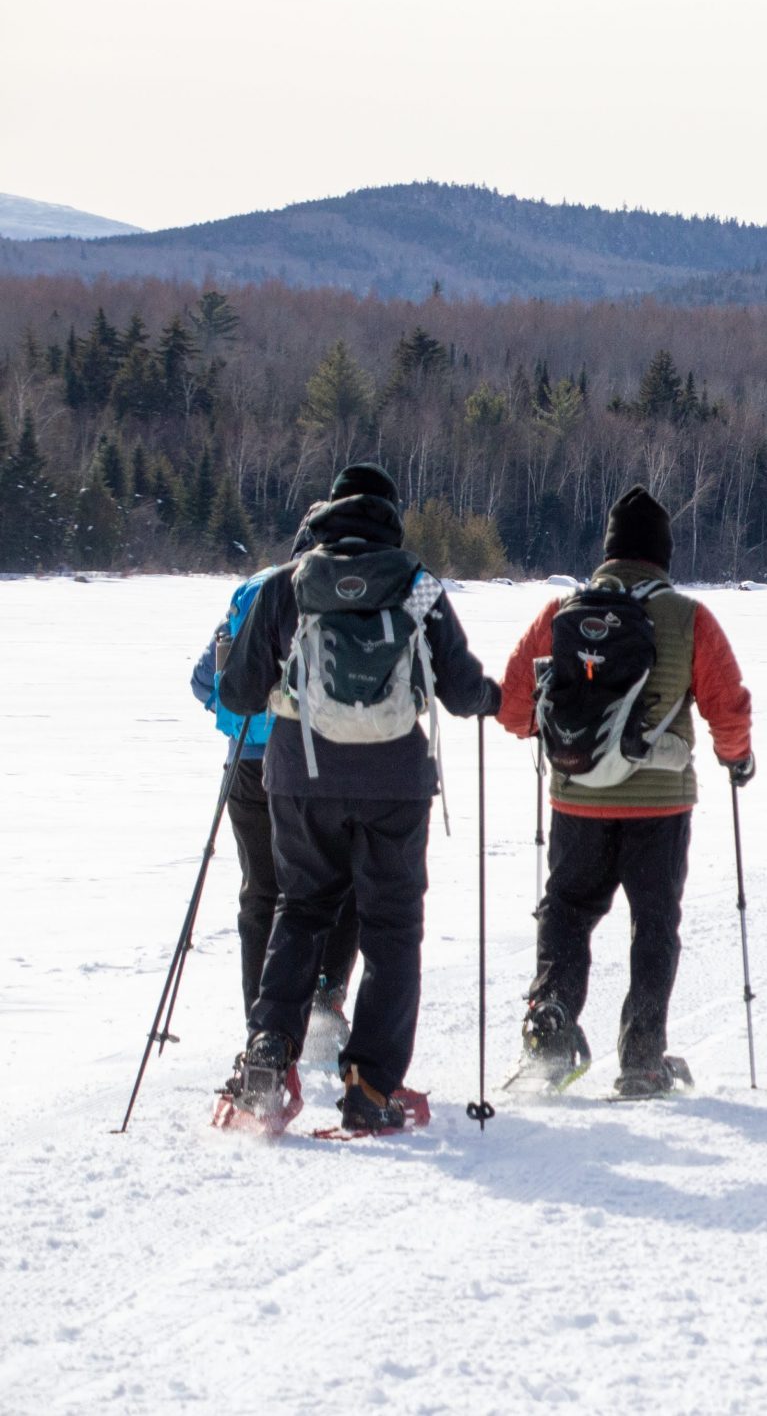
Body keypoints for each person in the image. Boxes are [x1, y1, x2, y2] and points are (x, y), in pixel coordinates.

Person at [217, 463, 502, 1132]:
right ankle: (371, 1087)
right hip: (393, 782)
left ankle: (268, 1051)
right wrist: (494, 698)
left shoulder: (290, 584)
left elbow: (237, 694)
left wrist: (239, 661)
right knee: (392, 928)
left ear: (328, 516)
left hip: (300, 774)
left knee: (301, 908)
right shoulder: (416, 583)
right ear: (389, 517)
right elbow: (460, 692)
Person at [496, 486, 754, 1098]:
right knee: (654, 922)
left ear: (608, 552)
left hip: (577, 796)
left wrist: (558, 731)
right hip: (660, 805)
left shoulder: (562, 610)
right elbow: (728, 706)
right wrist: (735, 759)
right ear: (663, 556)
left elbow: (511, 706)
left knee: (567, 910)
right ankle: (641, 1060)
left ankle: (551, 1029)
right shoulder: (690, 618)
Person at [191, 543, 361, 1045]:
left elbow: (205, 682)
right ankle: (325, 996)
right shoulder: (351, 589)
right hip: (320, 762)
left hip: (248, 761)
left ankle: (262, 1026)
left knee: (261, 892)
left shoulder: (255, 589)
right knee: (336, 881)